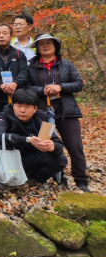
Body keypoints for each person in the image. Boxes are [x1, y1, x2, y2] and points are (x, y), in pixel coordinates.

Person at [27, 33, 89, 191]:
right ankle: (58, 177)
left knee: (75, 146)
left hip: (66, 112)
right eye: (41, 44)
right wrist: (42, 90)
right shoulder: (31, 66)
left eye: (49, 43)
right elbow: (26, 87)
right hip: (43, 114)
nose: (45, 46)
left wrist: (60, 87)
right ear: (37, 48)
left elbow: (78, 84)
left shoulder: (66, 64)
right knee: (47, 145)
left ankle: (81, 180)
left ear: (56, 46)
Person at [0, 88, 67, 184]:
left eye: (27, 107)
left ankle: (35, 180)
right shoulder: (5, 116)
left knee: (61, 159)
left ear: (35, 109)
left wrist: (52, 146)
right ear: (13, 105)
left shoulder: (42, 118)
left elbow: (58, 143)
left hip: (30, 158)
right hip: (9, 157)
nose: (22, 110)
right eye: (18, 106)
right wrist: (27, 140)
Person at [0, 23, 29, 144]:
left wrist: (15, 83)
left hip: (16, 97)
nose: (1, 36)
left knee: (16, 127)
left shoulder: (19, 54)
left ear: (11, 35)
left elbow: (24, 72)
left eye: (5, 33)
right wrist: (0, 84)